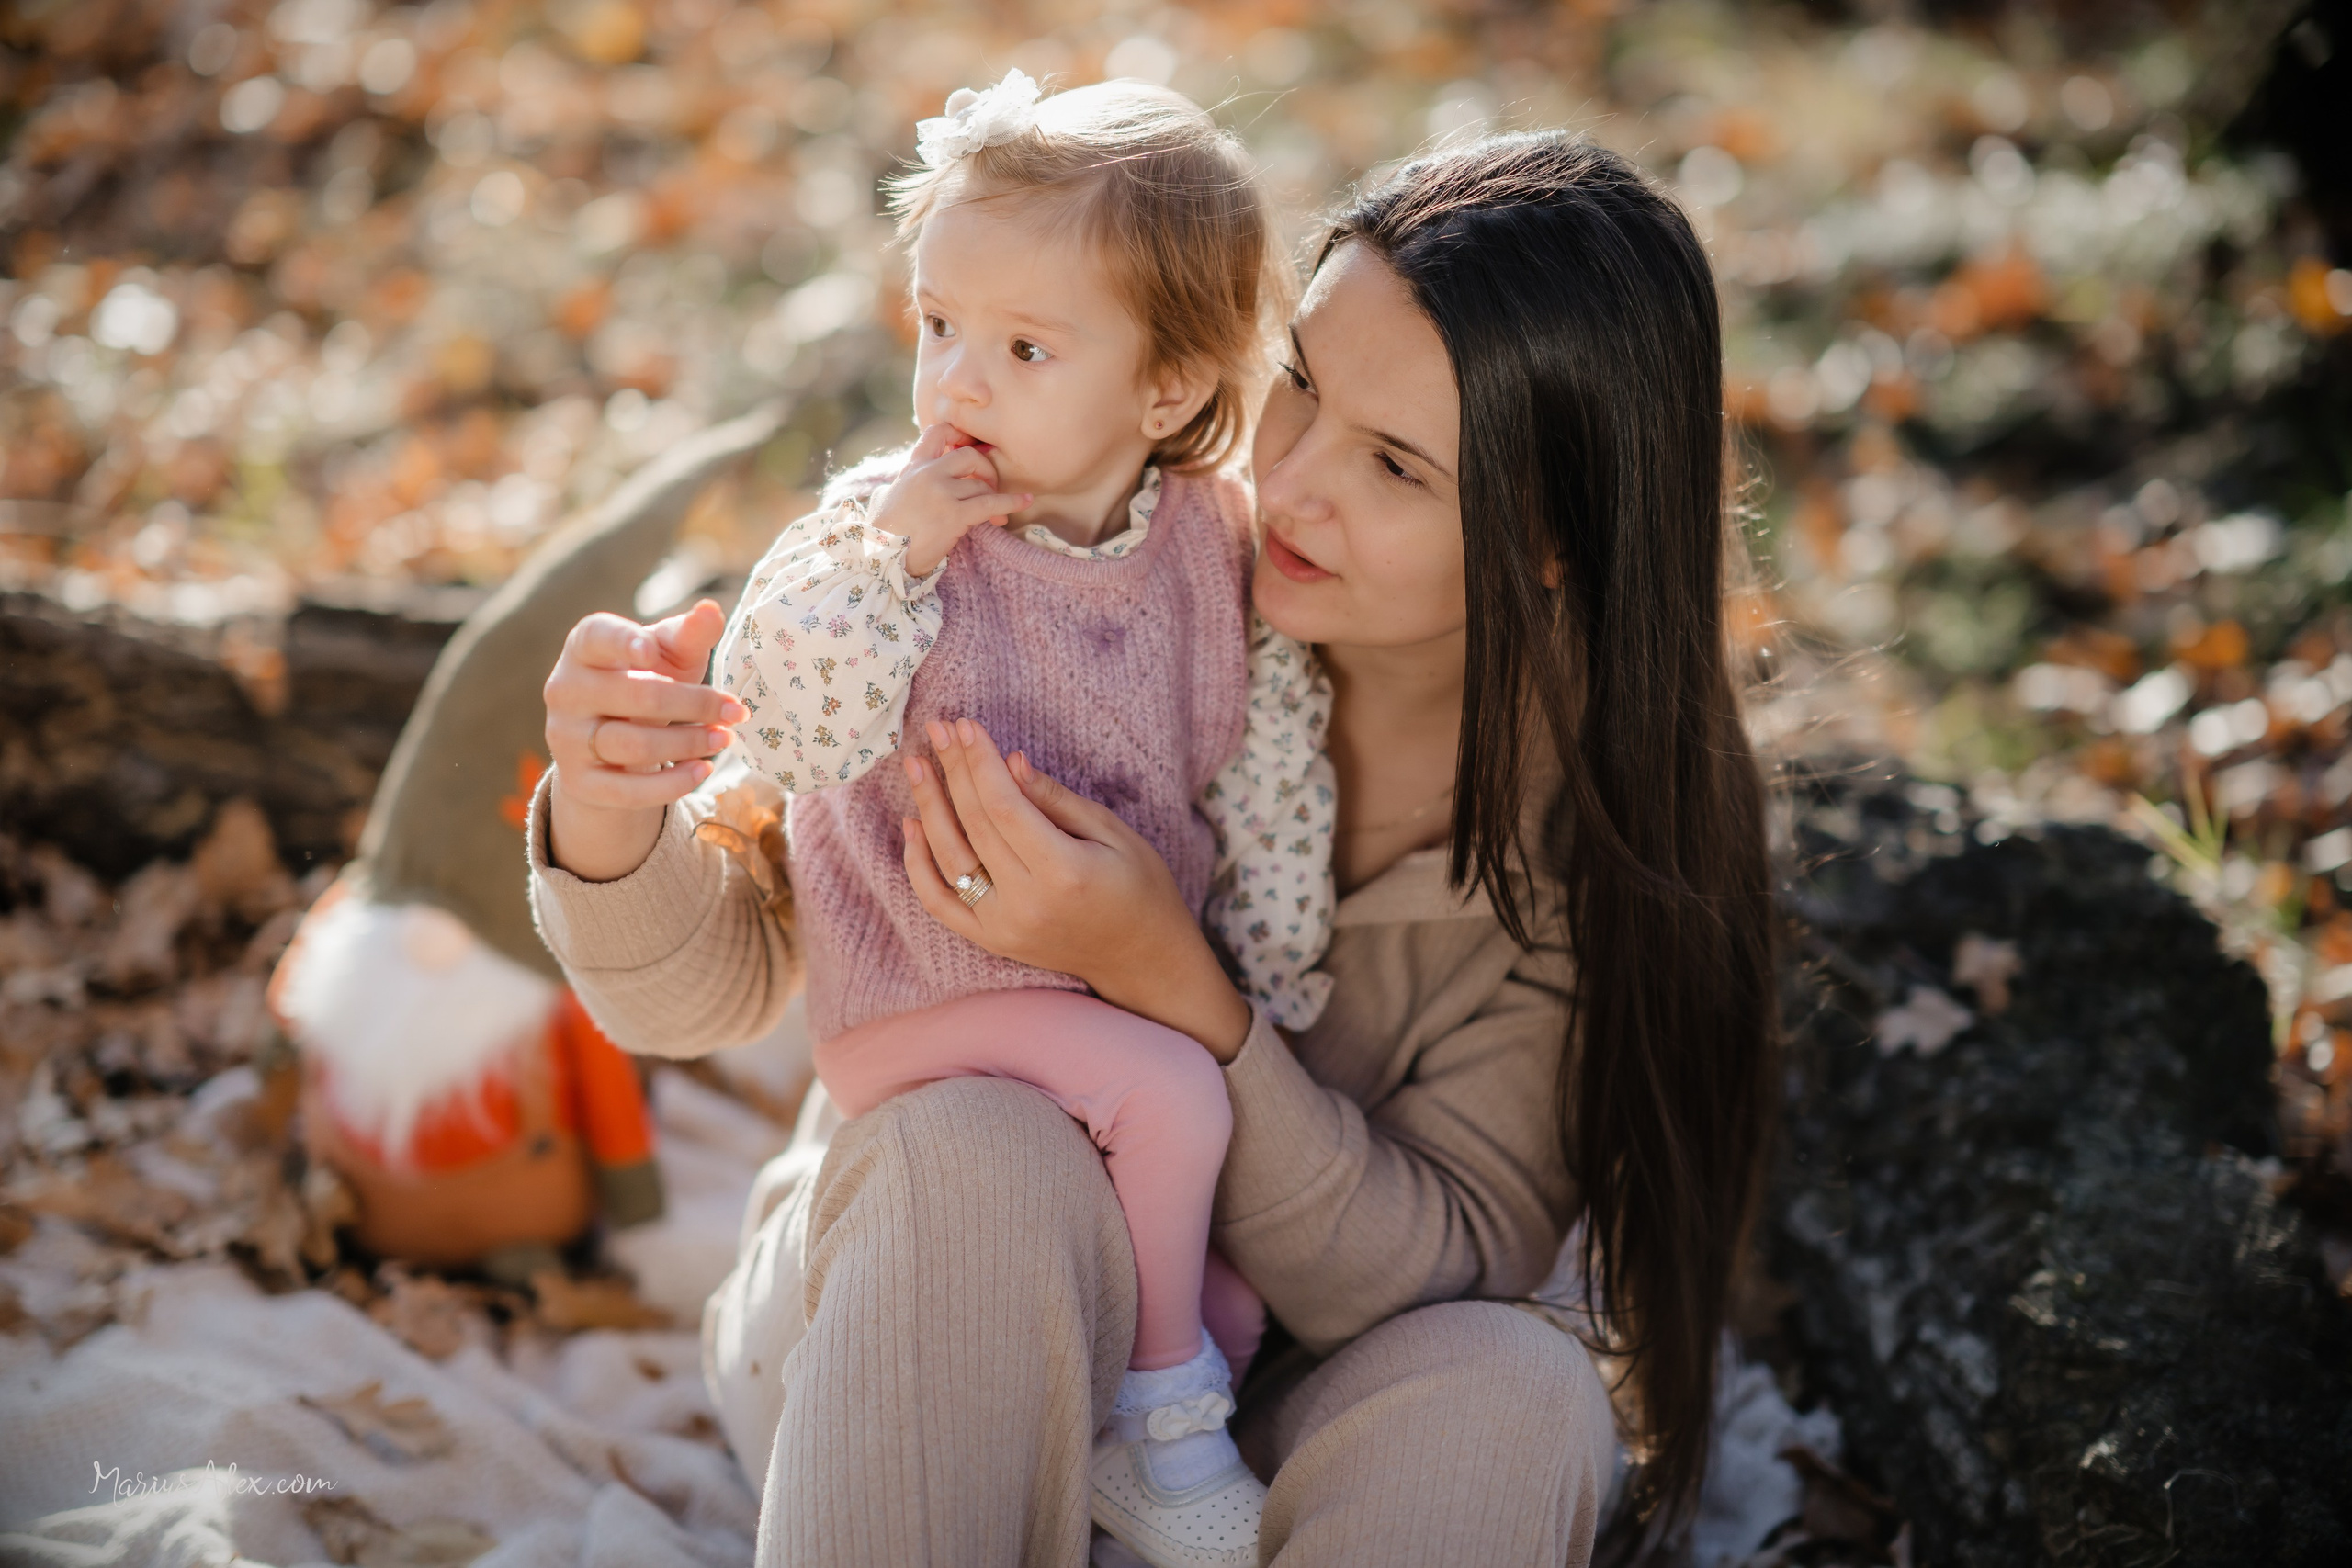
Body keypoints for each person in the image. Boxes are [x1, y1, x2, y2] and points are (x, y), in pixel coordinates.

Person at [529, 130, 1777, 1566]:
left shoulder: (1595, 844)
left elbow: (1435, 1262)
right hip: (932, 1331)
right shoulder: (1069, 556)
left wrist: (1163, 977)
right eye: (1300, 384)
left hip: (1251, 1431)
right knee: (986, 1147)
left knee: (1521, 1395)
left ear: (1557, 539)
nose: (1292, 484)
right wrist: (615, 819)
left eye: (1392, 467)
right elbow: (721, 980)